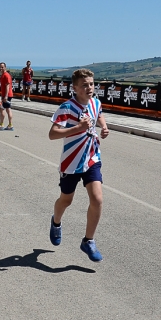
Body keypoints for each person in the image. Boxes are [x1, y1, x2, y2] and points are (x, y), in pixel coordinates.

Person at [48, 68, 110, 262]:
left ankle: (88, 241)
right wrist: (78, 128)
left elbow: (98, 113)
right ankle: (56, 222)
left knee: (97, 199)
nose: (89, 87)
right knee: (66, 200)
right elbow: (52, 134)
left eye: (91, 84)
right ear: (75, 88)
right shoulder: (67, 107)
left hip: (92, 157)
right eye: (84, 85)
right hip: (71, 162)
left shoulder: (95, 102)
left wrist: (104, 126)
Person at [0, 62, 14, 131]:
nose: (1, 68)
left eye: (2, 67)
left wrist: (5, 96)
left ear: (5, 67)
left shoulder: (6, 75)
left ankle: (1, 125)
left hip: (7, 95)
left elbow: (8, 86)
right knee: (8, 109)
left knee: (2, 109)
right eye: (0, 67)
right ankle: (10, 125)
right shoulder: (3, 75)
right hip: (6, 95)